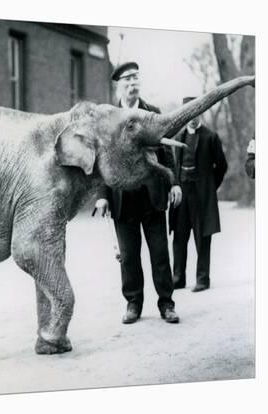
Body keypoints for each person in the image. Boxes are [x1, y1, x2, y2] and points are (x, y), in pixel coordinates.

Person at [95, 62, 182, 324]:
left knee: (159, 254)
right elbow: (101, 160)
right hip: (122, 198)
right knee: (129, 257)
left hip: (151, 194)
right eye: (127, 79)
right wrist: (102, 195)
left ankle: (166, 303)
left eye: (136, 78)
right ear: (118, 85)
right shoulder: (107, 117)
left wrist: (174, 182)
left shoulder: (152, 113)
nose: (133, 83)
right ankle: (133, 303)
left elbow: (166, 151)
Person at [170, 98, 228, 292]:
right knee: (179, 237)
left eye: (196, 113)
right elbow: (174, 166)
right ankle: (178, 277)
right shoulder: (178, 138)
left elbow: (221, 166)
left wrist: (210, 187)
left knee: (203, 237)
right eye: (189, 114)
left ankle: (203, 279)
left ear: (201, 112)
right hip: (181, 195)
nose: (193, 119)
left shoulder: (211, 137)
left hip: (202, 195)